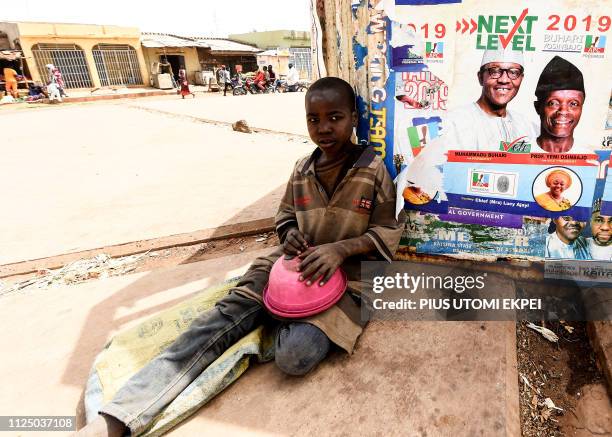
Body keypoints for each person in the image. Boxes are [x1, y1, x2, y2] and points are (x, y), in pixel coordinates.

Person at [76, 76, 406, 437]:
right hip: (287, 270)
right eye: (314, 119)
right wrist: (291, 234)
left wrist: (340, 249)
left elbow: (388, 231)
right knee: (214, 325)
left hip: (348, 282)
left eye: (335, 117)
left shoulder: (373, 170)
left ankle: (274, 319)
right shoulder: (301, 169)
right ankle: (119, 416)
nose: (324, 127)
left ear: (354, 119)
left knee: (294, 356)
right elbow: (284, 218)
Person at [440, 48, 538, 151]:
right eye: (495, 71)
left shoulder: (528, 127)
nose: (504, 80)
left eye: (513, 72)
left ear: (521, 79)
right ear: (480, 77)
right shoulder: (454, 122)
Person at [532, 56, 590, 154]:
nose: (563, 111)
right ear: (538, 107)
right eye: (553, 103)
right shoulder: (518, 153)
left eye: (573, 103)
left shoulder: (591, 158)